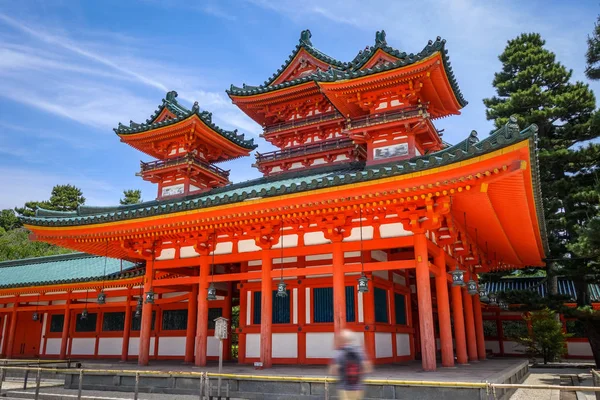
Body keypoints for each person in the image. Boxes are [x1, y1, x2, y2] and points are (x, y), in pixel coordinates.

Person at [328, 329, 372, 400]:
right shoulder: (359, 352)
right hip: (358, 388)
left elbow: (333, 371)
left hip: (345, 388)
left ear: (343, 340)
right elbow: (368, 368)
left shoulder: (339, 353)